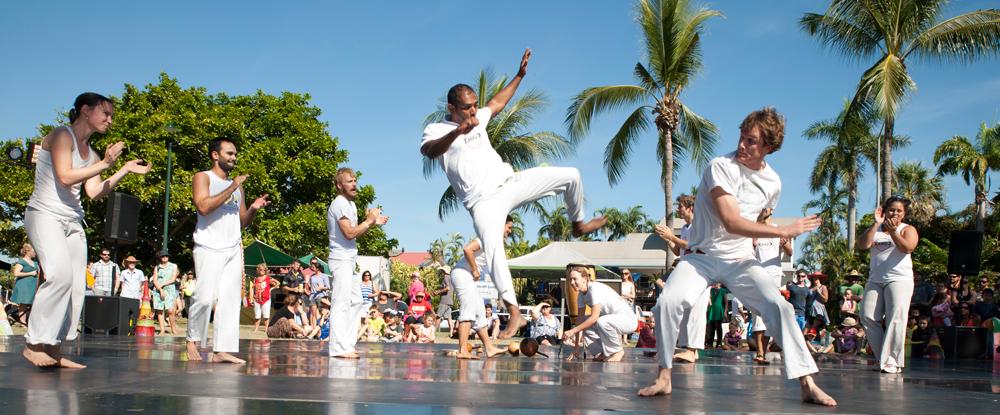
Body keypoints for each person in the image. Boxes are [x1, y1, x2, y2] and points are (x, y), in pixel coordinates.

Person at [638, 108, 836, 406]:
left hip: (741, 260)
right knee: (668, 302)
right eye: (742, 137)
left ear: (768, 147)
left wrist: (762, 237)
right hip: (701, 258)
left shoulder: (774, 184)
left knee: (778, 307)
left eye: (752, 141)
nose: (742, 145)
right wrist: (785, 230)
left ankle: (807, 383)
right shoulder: (720, 166)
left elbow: (754, 218)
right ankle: (664, 377)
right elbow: (731, 220)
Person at [420, 49, 605, 339]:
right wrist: (457, 132)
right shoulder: (437, 128)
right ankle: (515, 312)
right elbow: (429, 151)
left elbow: (497, 103)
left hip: (510, 183)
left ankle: (578, 222)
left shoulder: (479, 116)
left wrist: (519, 75)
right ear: (452, 107)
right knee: (493, 250)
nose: (472, 111)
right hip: (482, 204)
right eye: (466, 107)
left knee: (572, 175)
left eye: (474, 106)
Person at [22, 93, 151, 368]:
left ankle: (55, 349)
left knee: (76, 288)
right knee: (58, 276)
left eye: (111, 115)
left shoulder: (91, 153)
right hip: (45, 215)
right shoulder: (61, 136)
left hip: (72, 221)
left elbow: (93, 192)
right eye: (105, 113)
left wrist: (123, 170)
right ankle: (34, 343)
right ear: (85, 110)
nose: (109, 119)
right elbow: (65, 176)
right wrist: (105, 164)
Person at [186, 137, 269, 364]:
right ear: (215, 155)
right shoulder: (203, 177)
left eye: (235, 154)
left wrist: (252, 208)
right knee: (204, 297)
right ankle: (193, 340)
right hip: (209, 246)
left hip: (233, 246)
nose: (234, 157)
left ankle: (221, 349)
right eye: (229, 153)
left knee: (230, 299)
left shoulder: (238, 186)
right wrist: (231, 187)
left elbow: (241, 221)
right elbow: (202, 207)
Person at [327, 167, 388, 359]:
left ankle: (347, 344)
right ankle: (337, 348)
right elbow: (349, 233)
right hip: (340, 259)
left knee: (356, 301)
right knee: (341, 303)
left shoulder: (350, 206)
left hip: (350, 259)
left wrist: (371, 223)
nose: (354, 184)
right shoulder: (339, 204)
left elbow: (354, 232)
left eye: (355, 180)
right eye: (349, 181)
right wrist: (369, 221)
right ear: (339, 185)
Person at [858, 196, 920, 374]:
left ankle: (892, 361)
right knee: (867, 315)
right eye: (891, 209)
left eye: (899, 210)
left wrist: (893, 232)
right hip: (875, 279)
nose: (894, 213)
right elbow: (863, 245)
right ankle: (882, 359)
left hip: (899, 279)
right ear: (884, 211)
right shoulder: (876, 229)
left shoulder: (907, 229)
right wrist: (875, 224)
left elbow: (908, 248)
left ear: (904, 214)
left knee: (896, 318)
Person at [654, 194, 708, 363]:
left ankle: (692, 350)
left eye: (681, 207)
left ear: (690, 208)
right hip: (688, 271)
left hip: (700, 270)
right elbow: (679, 251)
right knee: (686, 311)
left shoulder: (700, 225)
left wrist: (671, 237)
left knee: (696, 311)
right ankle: (690, 349)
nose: (678, 209)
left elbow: (692, 245)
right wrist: (668, 240)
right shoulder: (685, 228)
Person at [451, 220, 511, 359]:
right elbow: (467, 249)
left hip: (467, 276)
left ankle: (489, 348)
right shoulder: (488, 236)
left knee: (480, 312)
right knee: (469, 310)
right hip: (462, 274)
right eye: (509, 227)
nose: (510, 230)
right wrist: (475, 269)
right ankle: (462, 350)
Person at [563, 265, 638, 362]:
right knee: (585, 323)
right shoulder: (581, 296)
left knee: (600, 321)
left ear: (584, 279)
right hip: (613, 320)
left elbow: (594, 317)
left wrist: (572, 331)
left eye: (574, 279)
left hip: (628, 320)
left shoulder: (594, 289)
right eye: (570, 280)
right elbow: (580, 322)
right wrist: (576, 347)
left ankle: (617, 351)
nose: (572, 282)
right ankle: (603, 351)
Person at [750, 207, 793, 362]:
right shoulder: (755, 229)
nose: (763, 209)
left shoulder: (778, 230)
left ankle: (763, 351)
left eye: (766, 207)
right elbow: (750, 247)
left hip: (774, 275)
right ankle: (760, 353)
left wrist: (784, 244)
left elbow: (790, 252)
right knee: (757, 313)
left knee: (769, 312)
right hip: (757, 274)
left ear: (771, 210)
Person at [10, 243, 39, 326]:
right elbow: (16, 273)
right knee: (24, 304)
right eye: (34, 251)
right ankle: (23, 322)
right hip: (23, 286)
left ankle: (31, 322)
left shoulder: (35, 262)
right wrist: (30, 273)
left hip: (33, 285)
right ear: (28, 251)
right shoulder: (21, 261)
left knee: (33, 303)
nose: (35, 253)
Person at [152, 251, 179, 336]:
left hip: (170, 289)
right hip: (158, 290)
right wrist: (160, 289)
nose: (165, 257)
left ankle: (173, 329)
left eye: (166, 256)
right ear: (160, 257)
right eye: (163, 256)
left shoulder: (174, 266)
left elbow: (173, 279)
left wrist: (163, 284)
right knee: (160, 311)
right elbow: (155, 280)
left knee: (171, 311)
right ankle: (162, 330)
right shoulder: (157, 267)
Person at [252, 264, 280, 333]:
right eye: (261, 269)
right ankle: (256, 329)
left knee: (266, 315)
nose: (262, 271)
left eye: (264, 269)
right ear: (258, 270)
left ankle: (266, 329)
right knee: (257, 315)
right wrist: (252, 297)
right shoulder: (256, 279)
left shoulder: (268, 278)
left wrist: (271, 289)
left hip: (266, 299)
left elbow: (278, 283)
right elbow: (253, 288)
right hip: (257, 299)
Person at [705, 283, 729, 348]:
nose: (716, 284)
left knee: (718, 327)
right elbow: (709, 298)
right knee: (712, 327)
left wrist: (725, 312)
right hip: (712, 310)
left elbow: (726, 302)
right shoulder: (711, 290)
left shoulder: (723, 290)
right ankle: (710, 343)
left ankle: (719, 343)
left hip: (719, 310)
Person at [434, 265, 456, 336]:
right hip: (450, 300)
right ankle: (451, 333)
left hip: (444, 300)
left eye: (442, 270)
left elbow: (447, 288)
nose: (441, 271)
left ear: (444, 271)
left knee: (438, 316)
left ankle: (433, 332)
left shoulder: (446, 277)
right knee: (449, 318)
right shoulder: (451, 278)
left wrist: (438, 292)